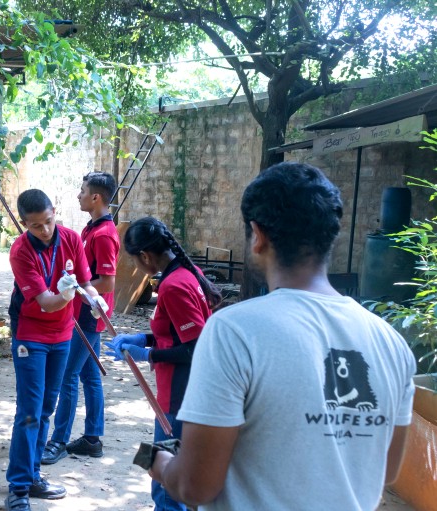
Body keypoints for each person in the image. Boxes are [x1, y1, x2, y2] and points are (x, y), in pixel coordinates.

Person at [149, 162, 416, 511]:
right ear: (329, 236)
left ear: (257, 235)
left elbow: (195, 486)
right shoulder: (392, 344)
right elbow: (388, 470)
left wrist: (155, 460)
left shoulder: (234, 331)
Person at [105, 216, 221, 511]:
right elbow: (175, 332)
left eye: (135, 261)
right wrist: (141, 339)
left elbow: (194, 348)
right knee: (162, 464)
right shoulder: (188, 272)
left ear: (145, 256)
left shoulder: (173, 285)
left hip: (179, 396)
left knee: (164, 477)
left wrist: (148, 355)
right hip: (184, 392)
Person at [5, 189, 106, 511]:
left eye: (48, 221)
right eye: (36, 226)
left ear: (54, 212)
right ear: (24, 224)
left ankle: (33, 476)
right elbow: (47, 303)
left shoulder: (72, 238)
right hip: (30, 335)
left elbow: (86, 282)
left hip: (63, 335)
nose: (45, 230)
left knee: (47, 407)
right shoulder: (20, 251)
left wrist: (93, 298)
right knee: (30, 411)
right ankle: (18, 487)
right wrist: (65, 294)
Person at [42, 172, 120, 464]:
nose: (79, 195)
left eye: (83, 190)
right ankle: (92, 438)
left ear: (96, 197)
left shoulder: (103, 234)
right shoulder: (91, 228)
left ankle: (58, 440)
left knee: (67, 376)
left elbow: (107, 282)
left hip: (88, 315)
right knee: (88, 376)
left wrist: (73, 288)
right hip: (86, 312)